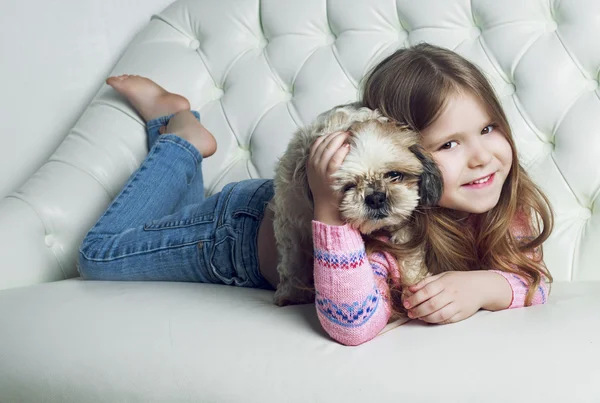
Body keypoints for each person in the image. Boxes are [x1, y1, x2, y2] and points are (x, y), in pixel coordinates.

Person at [78, 42, 552, 347]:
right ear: (403, 152)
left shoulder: (503, 203)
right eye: (449, 144)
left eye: (488, 128)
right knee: (96, 256)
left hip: (269, 210)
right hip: (233, 237)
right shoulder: (387, 229)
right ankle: (180, 137)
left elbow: (536, 277)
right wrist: (331, 210)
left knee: (165, 223)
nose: (481, 157)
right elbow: (351, 323)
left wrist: (486, 287)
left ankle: (172, 128)